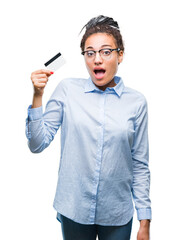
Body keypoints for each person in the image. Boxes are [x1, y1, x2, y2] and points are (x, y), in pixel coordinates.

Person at [26, 15, 151, 240]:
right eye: (90, 52)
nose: (97, 60)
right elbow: (37, 144)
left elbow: (139, 164)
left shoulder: (137, 102)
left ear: (120, 55)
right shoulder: (67, 90)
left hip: (117, 213)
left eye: (106, 51)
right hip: (74, 208)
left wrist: (145, 221)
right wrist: (37, 96)